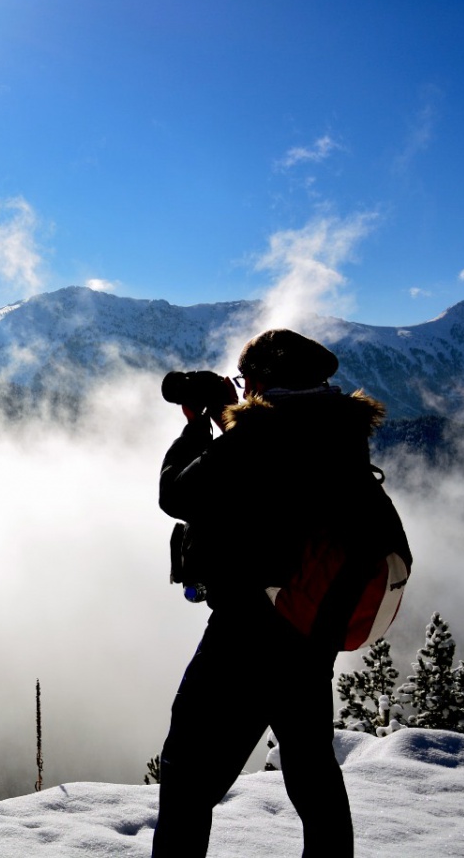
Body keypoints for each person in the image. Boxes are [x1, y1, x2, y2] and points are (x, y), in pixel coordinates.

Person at [152, 328, 388, 858]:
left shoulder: (257, 439)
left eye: (246, 380)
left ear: (261, 380)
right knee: (312, 771)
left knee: (187, 774)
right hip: (312, 627)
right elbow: (275, 478)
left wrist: (198, 427)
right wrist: (233, 418)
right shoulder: (341, 431)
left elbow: (177, 494)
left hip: (247, 632)